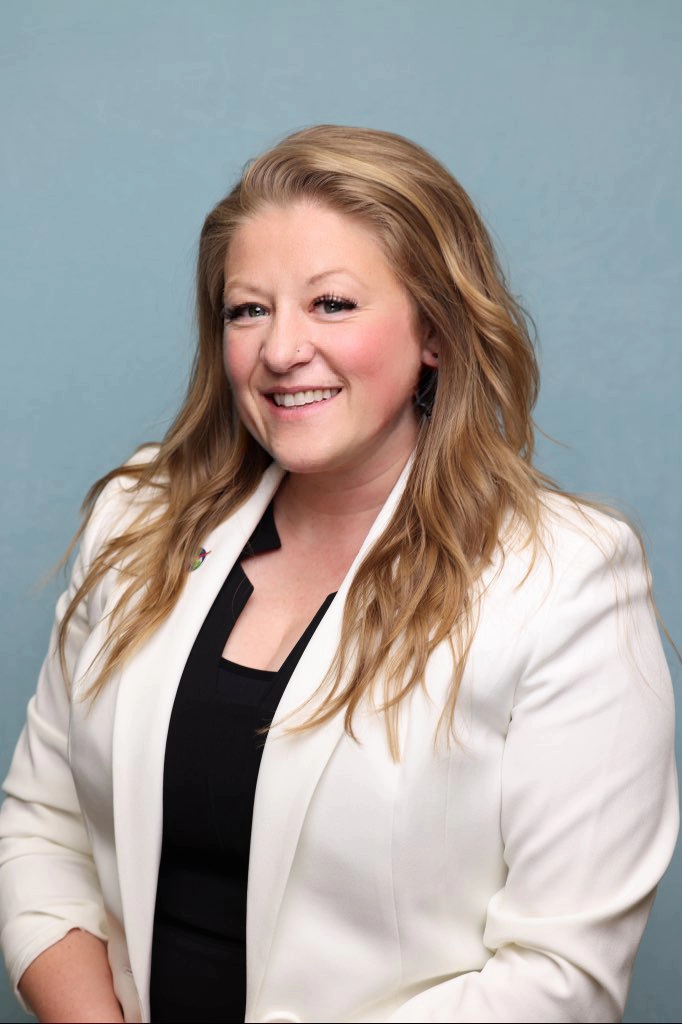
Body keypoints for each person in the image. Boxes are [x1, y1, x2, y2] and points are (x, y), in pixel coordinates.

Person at [0, 125, 677, 1024]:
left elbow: (562, 976)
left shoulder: (567, 577)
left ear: (434, 329)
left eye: (332, 304)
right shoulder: (141, 515)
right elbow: (41, 832)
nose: (282, 350)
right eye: (249, 310)